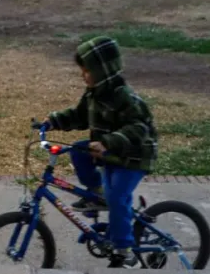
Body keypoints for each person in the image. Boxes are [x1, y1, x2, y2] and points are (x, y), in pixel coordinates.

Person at [43, 36, 158, 268]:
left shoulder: (123, 96)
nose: (83, 75)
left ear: (103, 70)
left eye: (87, 71)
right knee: (79, 150)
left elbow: (139, 129)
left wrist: (107, 142)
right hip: (110, 154)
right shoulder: (93, 94)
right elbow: (79, 116)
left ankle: (125, 251)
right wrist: (52, 122)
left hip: (134, 156)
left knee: (118, 197)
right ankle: (97, 192)